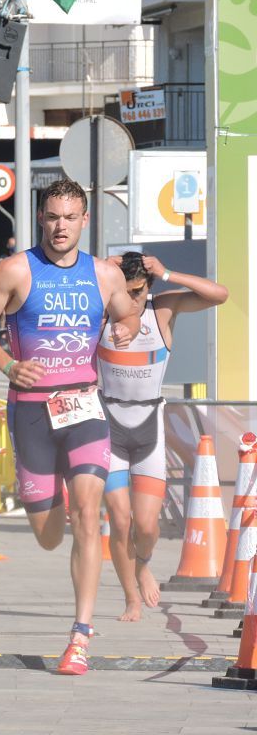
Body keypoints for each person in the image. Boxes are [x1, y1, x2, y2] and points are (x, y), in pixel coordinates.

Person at [0, 178, 140, 675]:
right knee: (47, 532)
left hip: (84, 407)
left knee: (90, 516)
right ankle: (50, 501)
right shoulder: (15, 269)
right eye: (51, 217)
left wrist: (126, 324)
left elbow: (128, 311)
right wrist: (5, 363)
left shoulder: (105, 275)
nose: (60, 226)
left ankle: (80, 637)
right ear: (40, 219)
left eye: (69, 217)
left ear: (85, 221)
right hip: (31, 411)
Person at [99, 251, 227, 621]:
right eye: (124, 291)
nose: (130, 301)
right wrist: (100, 265)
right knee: (120, 521)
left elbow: (219, 294)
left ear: (149, 286)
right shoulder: (103, 311)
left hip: (149, 428)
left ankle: (143, 564)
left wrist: (169, 271)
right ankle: (131, 597)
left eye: (137, 292)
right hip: (111, 425)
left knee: (148, 526)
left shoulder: (162, 310)